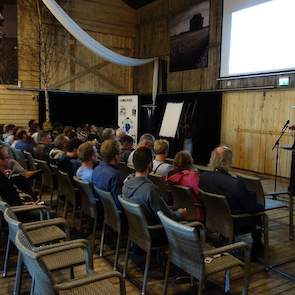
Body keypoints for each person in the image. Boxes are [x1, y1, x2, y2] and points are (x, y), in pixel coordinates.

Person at [199, 145, 264, 252]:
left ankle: (223, 237)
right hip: (234, 222)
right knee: (259, 208)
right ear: (228, 161)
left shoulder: (203, 178)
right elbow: (250, 207)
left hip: (212, 218)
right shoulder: (235, 183)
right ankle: (257, 243)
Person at [122, 147, 187, 225]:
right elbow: (167, 218)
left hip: (136, 229)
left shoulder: (126, 184)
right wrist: (180, 214)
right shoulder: (150, 190)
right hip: (154, 231)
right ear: (149, 164)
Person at [167, 151, 203, 221]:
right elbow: (198, 195)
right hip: (194, 211)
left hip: (177, 208)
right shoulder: (192, 176)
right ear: (190, 162)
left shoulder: (171, 175)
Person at [92, 139, 124, 210]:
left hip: (100, 209)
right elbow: (119, 205)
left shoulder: (96, 169)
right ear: (116, 156)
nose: (122, 155)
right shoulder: (115, 175)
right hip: (115, 215)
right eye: (121, 152)